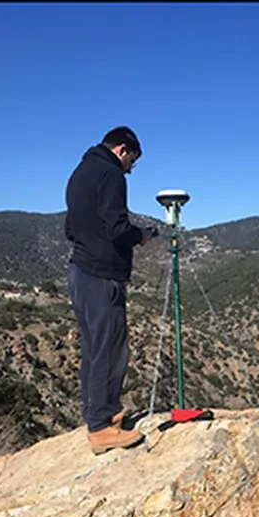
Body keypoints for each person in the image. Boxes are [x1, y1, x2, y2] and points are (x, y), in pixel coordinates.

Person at [65, 126, 157, 455]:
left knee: (93, 349)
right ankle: (101, 428)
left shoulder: (81, 172)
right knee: (110, 350)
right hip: (101, 276)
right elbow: (116, 227)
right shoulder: (111, 174)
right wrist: (141, 236)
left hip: (80, 271)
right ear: (122, 149)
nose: (131, 167)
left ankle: (98, 414)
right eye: (132, 159)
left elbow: (70, 228)